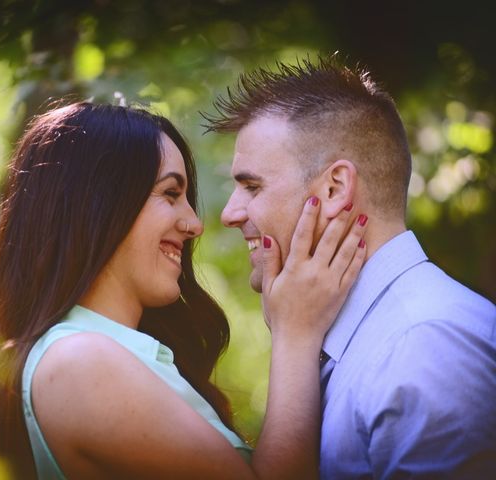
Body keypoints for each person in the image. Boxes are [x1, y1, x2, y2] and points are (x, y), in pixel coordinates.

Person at [0, 101, 368, 479]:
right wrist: (295, 332)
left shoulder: (108, 353)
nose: (194, 224)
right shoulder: (80, 360)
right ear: (98, 202)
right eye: (170, 194)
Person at [205, 57, 496, 479]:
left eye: (252, 186)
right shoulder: (367, 336)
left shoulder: (425, 347)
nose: (230, 213)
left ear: (334, 188)